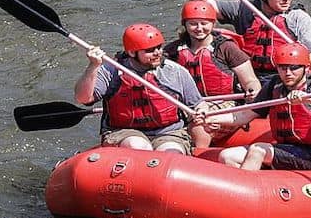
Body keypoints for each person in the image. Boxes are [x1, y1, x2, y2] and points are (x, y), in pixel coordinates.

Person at [200, 43, 311, 170]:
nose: (288, 73)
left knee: (257, 149)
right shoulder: (274, 85)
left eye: (293, 68)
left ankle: (242, 200)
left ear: (305, 68)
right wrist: (210, 118)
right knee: (227, 156)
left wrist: (309, 100)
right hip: (285, 148)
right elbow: (243, 116)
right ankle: (262, 189)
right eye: (283, 68)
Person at [74, 22, 210, 152]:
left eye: (159, 47)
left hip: (169, 132)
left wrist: (201, 111)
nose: (158, 53)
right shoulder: (112, 71)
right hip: (123, 132)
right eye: (150, 50)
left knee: (171, 151)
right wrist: (93, 66)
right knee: (138, 145)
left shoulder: (174, 71)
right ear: (132, 52)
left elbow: (198, 103)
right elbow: (83, 98)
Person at [164, 0, 261, 100]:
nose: (199, 28)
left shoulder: (226, 48)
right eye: (193, 24)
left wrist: (252, 90)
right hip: (188, 105)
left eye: (204, 23)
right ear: (185, 25)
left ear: (213, 24)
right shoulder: (173, 50)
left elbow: (250, 80)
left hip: (224, 104)